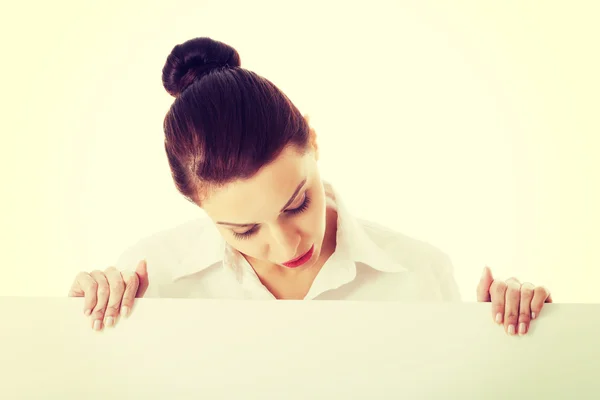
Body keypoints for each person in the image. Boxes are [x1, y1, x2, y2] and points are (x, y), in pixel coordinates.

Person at [68, 37, 552, 334]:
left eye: (297, 203)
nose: (285, 244)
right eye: (243, 230)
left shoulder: (419, 274)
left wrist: (509, 342)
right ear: (198, 204)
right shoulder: (151, 280)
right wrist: (74, 332)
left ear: (314, 143)